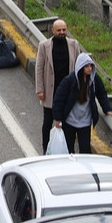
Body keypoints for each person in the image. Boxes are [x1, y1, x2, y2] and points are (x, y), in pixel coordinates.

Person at [35, 19, 83, 153]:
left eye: (64, 30)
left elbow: (79, 67)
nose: (62, 32)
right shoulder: (44, 46)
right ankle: (46, 149)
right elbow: (39, 68)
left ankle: (67, 151)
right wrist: (40, 89)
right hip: (50, 91)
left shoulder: (74, 45)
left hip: (67, 91)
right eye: (59, 30)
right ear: (53, 31)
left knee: (68, 124)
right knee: (48, 121)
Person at [52, 53, 112, 154]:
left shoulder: (94, 80)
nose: (89, 69)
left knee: (85, 151)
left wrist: (107, 109)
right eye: (86, 66)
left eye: (91, 66)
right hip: (70, 121)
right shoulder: (70, 80)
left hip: (85, 121)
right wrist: (58, 118)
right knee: (68, 150)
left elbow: (102, 94)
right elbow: (59, 99)